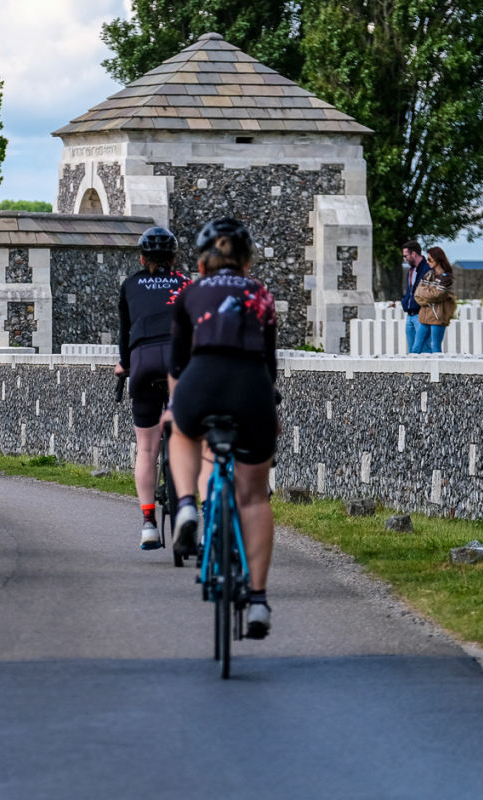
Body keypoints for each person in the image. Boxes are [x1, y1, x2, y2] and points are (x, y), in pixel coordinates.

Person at [166, 217, 279, 638]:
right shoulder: (260, 294)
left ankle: (187, 505)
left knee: (182, 431)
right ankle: (258, 601)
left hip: (202, 379)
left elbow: (176, 364)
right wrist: (270, 410)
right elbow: (269, 365)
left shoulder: (190, 293)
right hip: (251, 387)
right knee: (253, 498)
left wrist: (178, 408)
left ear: (200, 264)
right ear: (247, 264)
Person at [114, 226, 191, 549]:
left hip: (143, 361)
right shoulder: (186, 284)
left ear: (142, 257)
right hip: (180, 363)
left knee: (146, 448)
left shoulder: (131, 284)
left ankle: (148, 524)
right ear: (173, 258)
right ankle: (189, 506)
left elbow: (125, 333)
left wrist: (124, 365)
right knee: (189, 438)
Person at [413, 246, 456, 353]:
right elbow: (417, 294)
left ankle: (436, 370)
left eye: (429, 259)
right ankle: (412, 370)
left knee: (435, 347)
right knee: (416, 347)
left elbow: (437, 294)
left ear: (437, 259)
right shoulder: (428, 275)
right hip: (424, 316)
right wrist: (429, 295)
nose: (427, 262)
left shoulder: (446, 278)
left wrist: (425, 294)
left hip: (437, 316)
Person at [401, 240, 427, 353]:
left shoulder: (427, 270)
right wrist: (405, 302)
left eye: (406, 256)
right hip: (410, 315)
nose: (404, 259)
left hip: (421, 314)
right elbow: (410, 291)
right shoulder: (411, 271)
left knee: (424, 348)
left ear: (414, 254)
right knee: (412, 351)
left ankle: (427, 371)